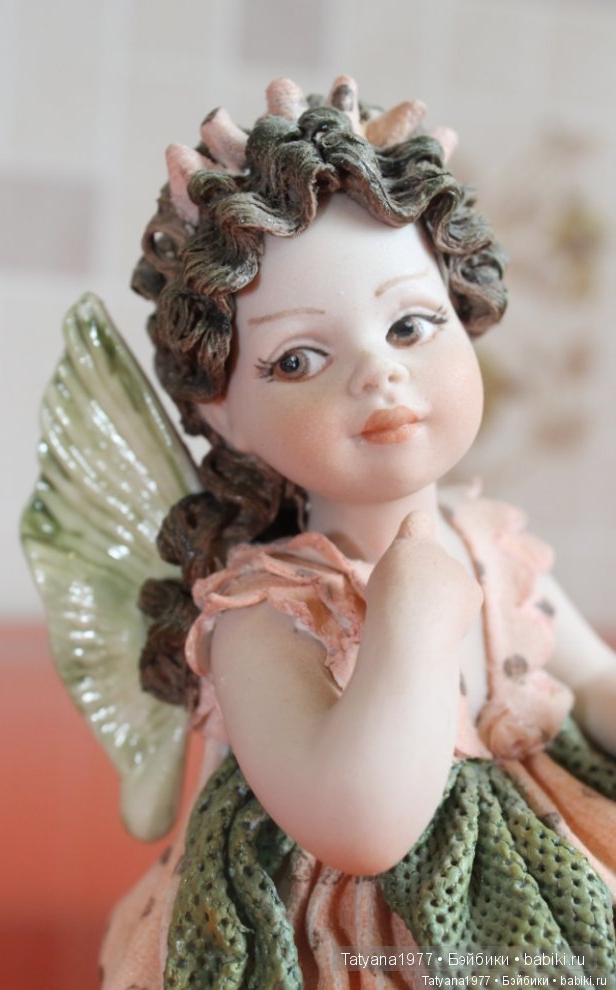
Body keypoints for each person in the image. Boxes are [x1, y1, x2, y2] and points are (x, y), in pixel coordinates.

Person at [74, 78, 616, 988]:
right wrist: (408, 619)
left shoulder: (489, 542)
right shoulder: (266, 613)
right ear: (223, 411)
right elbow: (360, 827)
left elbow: (590, 676)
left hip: (552, 880)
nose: (378, 374)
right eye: (298, 359)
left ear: (466, 317)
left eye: (410, 325)